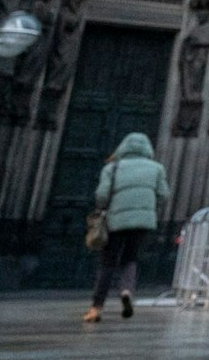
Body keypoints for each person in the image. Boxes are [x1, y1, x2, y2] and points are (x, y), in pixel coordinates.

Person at [84, 132, 169, 324]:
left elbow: (102, 195)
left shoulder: (112, 168)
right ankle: (126, 291)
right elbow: (164, 194)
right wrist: (148, 206)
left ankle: (96, 307)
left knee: (108, 262)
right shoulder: (157, 168)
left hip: (116, 220)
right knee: (130, 258)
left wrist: (105, 207)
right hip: (143, 221)